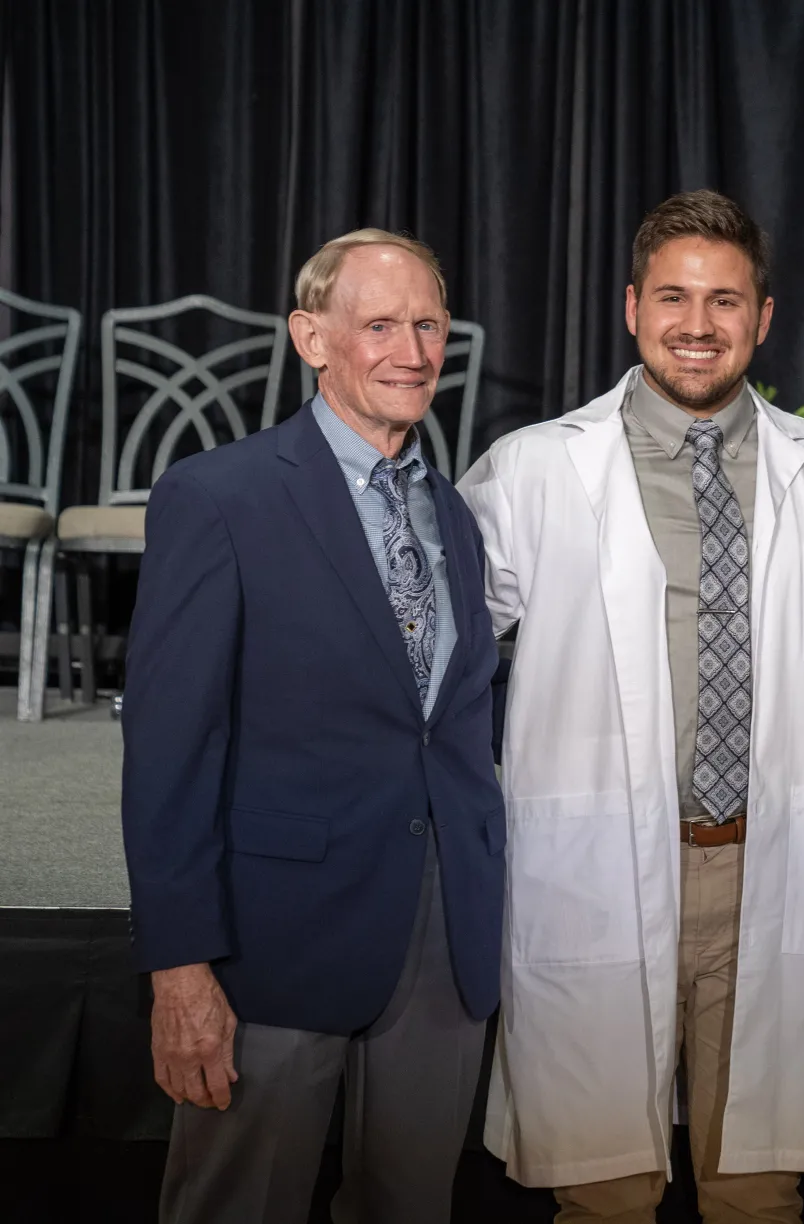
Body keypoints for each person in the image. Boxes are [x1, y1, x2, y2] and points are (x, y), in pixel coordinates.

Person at [459, 189, 804, 1222]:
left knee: (761, 1195)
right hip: (597, 870)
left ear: (765, 317)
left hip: (774, 869)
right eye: (674, 298)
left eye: (725, 301)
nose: (698, 325)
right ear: (631, 307)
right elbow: (432, 667)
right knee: (603, 1195)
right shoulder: (534, 471)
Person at [121, 229, 506, 1224]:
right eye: (380, 323)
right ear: (311, 337)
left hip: (440, 944)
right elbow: (169, 752)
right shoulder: (220, 498)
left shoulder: (453, 517)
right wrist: (179, 968)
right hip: (275, 944)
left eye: (428, 323)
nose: (412, 349)